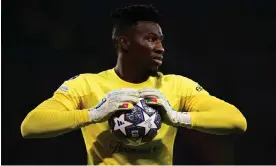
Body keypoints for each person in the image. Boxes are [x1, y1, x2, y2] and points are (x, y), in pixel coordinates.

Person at [21, 4, 247, 165]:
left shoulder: (178, 86)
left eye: (161, 40)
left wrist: (178, 117)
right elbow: (31, 126)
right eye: (151, 39)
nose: (160, 47)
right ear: (124, 43)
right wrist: (94, 114)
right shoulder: (87, 84)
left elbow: (237, 121)